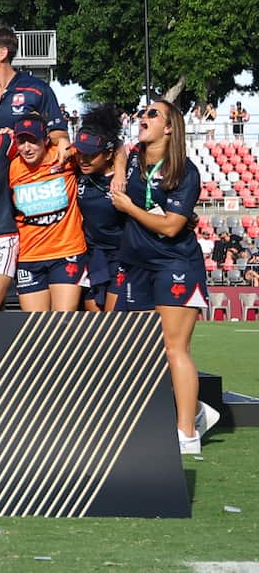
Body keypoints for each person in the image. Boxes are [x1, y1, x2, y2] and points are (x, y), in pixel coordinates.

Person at [109, 99, 214, 453]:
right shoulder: (133, 156)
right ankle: (196, 411)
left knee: (174, 348)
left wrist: (129, 207)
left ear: (169, 127)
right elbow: (118, 148)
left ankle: (187, 434)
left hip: (175, 264)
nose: (143, 117)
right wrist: (120, 169)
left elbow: (171, 226)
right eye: (143, 112)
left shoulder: (185, 171)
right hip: (136, 264)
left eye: (152, 114)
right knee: (140, 349)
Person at [9, 115, 87, 312]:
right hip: (29, 256)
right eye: (21, 142)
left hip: (66, 251)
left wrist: (119, 174)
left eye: (33, 141)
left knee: (63, 320)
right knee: (35, 323)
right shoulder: (12, 168)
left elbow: (115, 148)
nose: (27, 148)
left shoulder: (65, 156)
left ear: (45, 140)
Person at [0, 25, 69, 153]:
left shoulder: (37, 89)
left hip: (25, 164)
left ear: (2, 53)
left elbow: (59, 133)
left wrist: (18, 137)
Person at [74, 104, 127, 312]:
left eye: (91, 154)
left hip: (120, 257)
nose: (83, 160)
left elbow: (120, 145)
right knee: (95, 324)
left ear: (108, 154)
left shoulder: (126, 179)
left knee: (114, 322)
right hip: (92, 256)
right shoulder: (78, 171)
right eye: (80, 153)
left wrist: (120, 171)